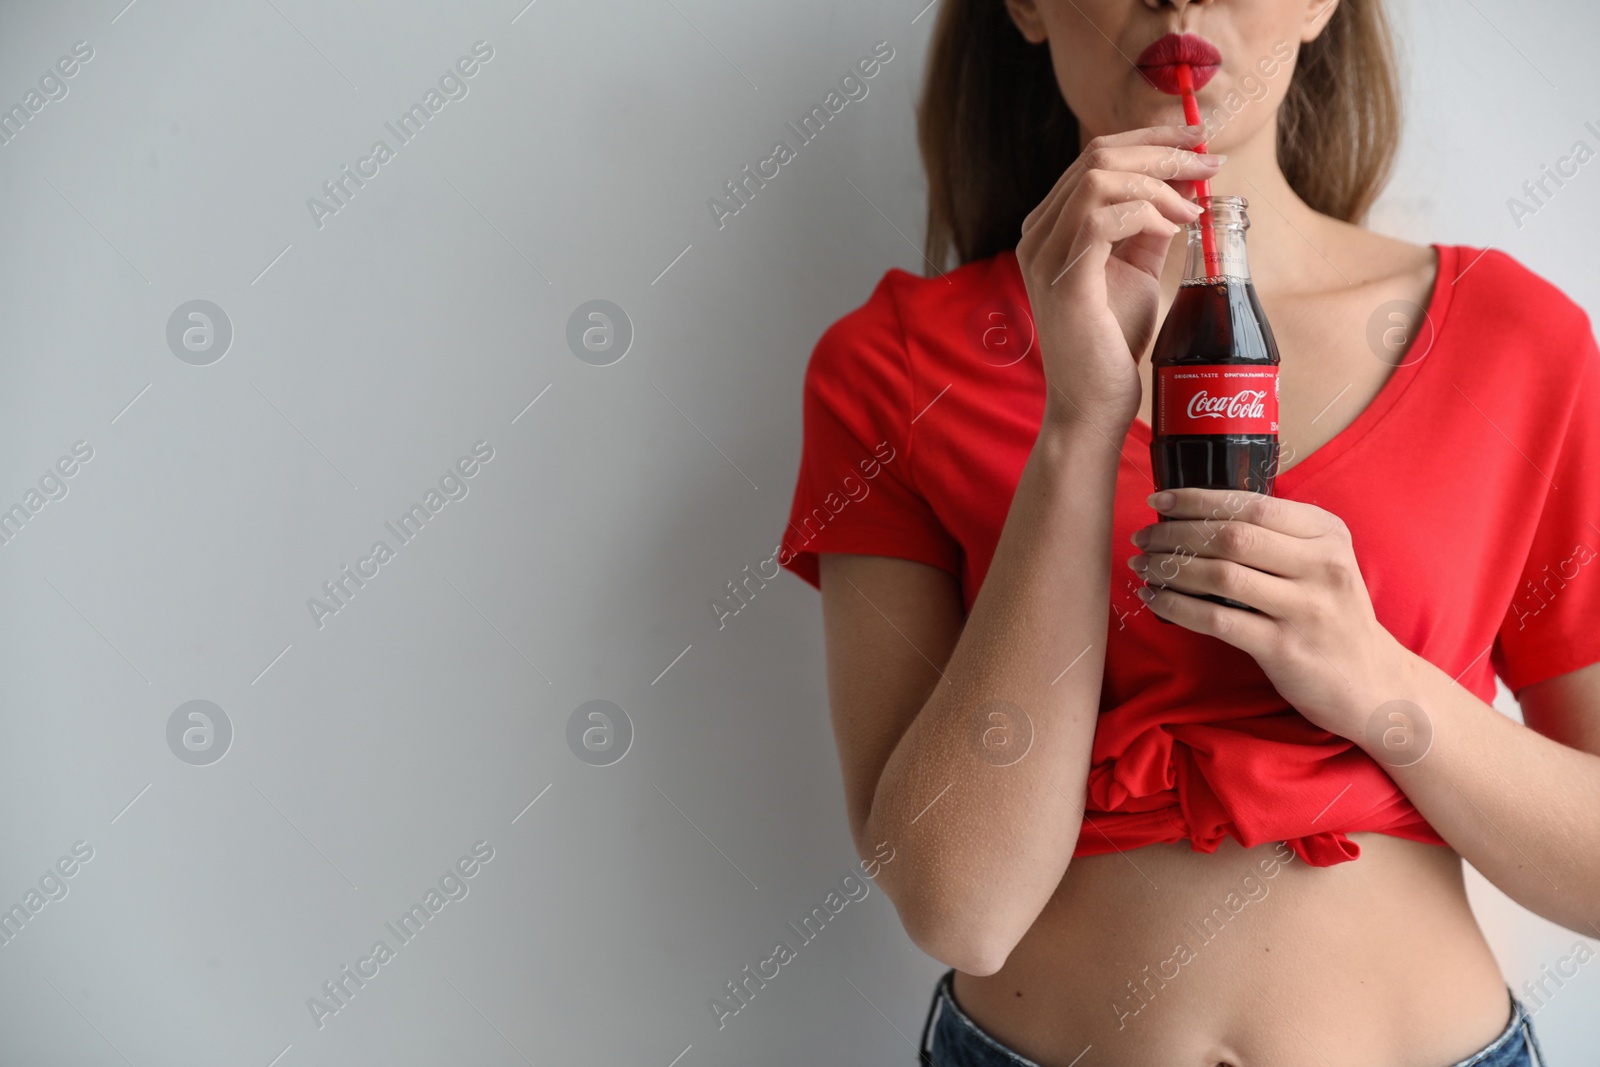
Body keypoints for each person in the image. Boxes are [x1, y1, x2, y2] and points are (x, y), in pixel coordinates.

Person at [775, 1, 1600, 1064]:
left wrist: (1372, 678)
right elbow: (958, 906)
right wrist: (1078, 425)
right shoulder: (891, 366)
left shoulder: (1519, 342)